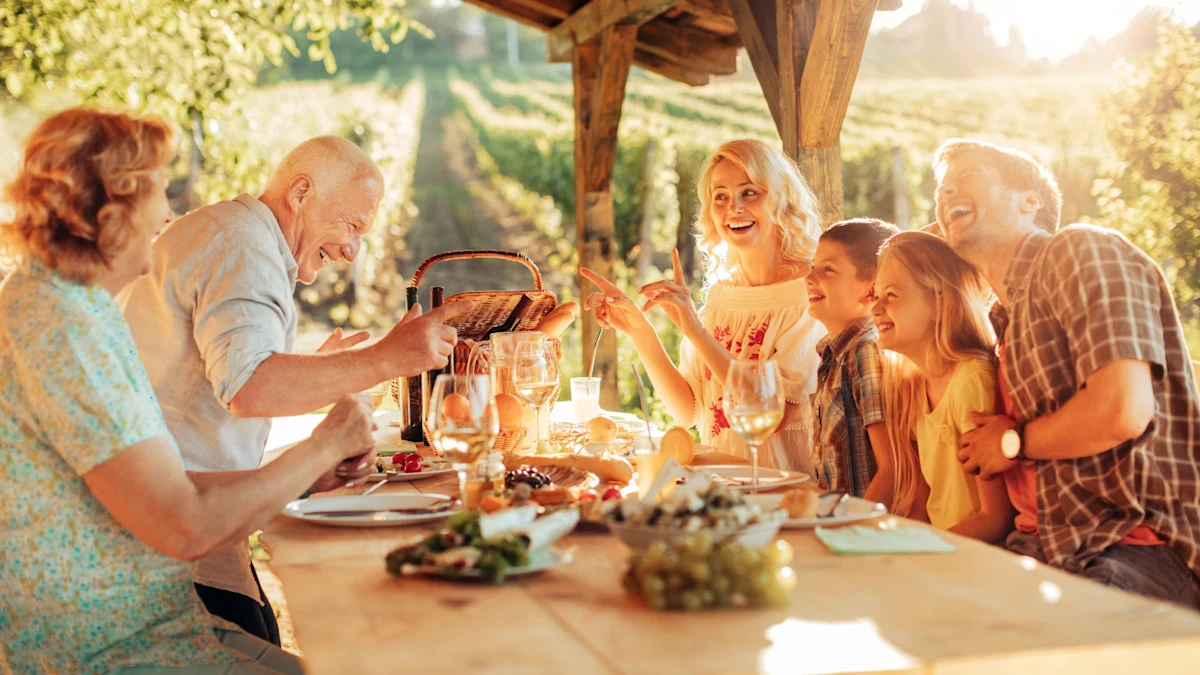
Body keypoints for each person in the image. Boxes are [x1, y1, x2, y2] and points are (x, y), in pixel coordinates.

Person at [0, 107, 376, 673]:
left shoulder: (75, 309)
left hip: (150, 619)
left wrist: (301, 472)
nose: (167, 213)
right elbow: (186, 522)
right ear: (107, 208)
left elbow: (157, 482)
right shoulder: (61, 329)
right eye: (155, 190)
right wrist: (324, 444)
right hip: (103, 649)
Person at [120, 135, 471, 643]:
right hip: (168, 544)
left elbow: (229, 380)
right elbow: (251, 388)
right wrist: (387, 357)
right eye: (351, 225)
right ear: (301, 192)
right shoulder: (241, 248)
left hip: (189, 515)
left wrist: (314, 373)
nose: (352, 250)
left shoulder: (233, 232)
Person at [938, 138, 1200, 607]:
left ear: (1029, 201)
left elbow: (1120, 410)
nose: (947, 193)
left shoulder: (1081, 249)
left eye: (968, 178)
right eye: (940, 190)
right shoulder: (1003, 321)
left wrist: (1010, 443)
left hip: (1133, 549)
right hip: (1050, 550)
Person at [581, 138, 825, 473]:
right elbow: (689, 411)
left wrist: (694, 329)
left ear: (780, 197)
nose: (733, 209)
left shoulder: (808, 294)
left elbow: (772, 414)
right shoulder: (722, 295)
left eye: (749, 192)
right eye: (720, 197)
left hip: (782, 486)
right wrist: (640, 331)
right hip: (722, 484)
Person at [872, 231, 1015, 542]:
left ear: (939, 302)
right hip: (942, 548)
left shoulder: (970, 380)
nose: (875, 307)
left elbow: (994, 518)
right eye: (876, 295)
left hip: (976, 556)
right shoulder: (913, 387)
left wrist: (916, 550)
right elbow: (923, 507)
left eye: (891, 295)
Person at [806, 218, 897, 501]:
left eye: (828, 270)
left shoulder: (865, 352)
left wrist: (852, 531)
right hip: (833, 521)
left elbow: (892, 469)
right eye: (813, 267)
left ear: (871, 291)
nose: (809, 278)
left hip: (859, 531)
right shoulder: (833, 355)